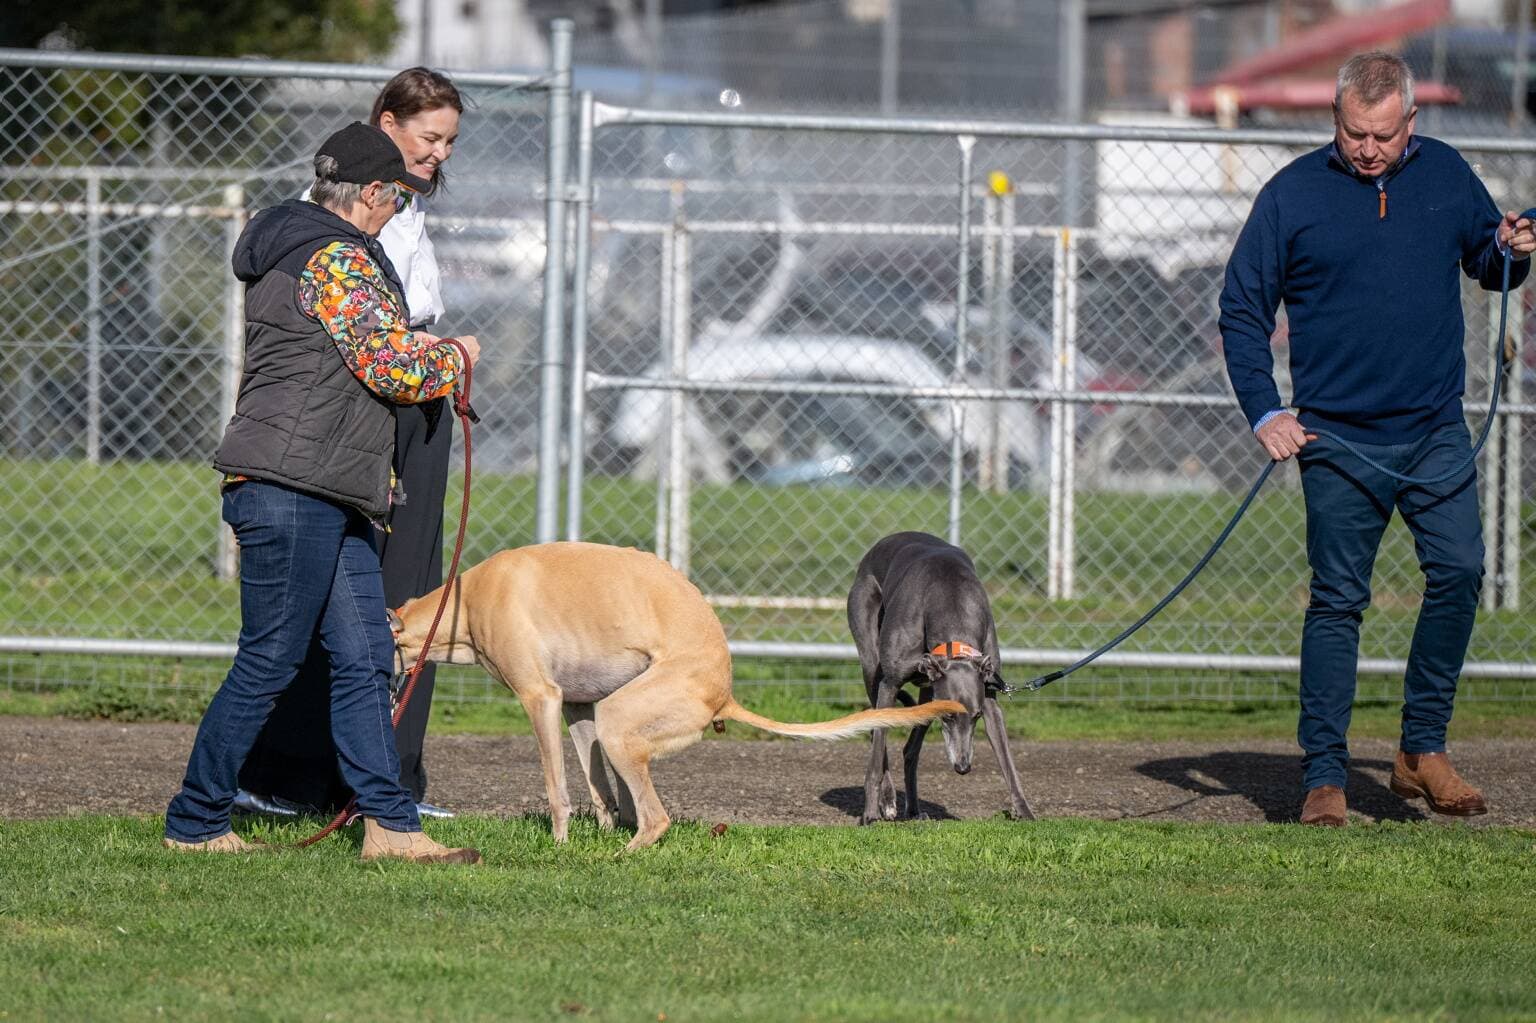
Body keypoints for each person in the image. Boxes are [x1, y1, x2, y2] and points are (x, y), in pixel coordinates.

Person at [1219, 51, 1535, 828]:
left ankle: (1420, 749)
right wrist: (1266, 412)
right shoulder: (1292, 195)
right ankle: (1323, 774)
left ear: (1410, 124)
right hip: (1335, 438)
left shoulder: (1448, 175)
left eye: (1384, 136)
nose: (1368, 149)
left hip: (1432, 428)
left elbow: (1487, 264)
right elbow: (1240, 309)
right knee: (1338, 601)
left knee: (1461, 570)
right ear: (1335, 119)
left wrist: (1510, 252)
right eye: (1355, 133)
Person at [162, 121, 482, 862]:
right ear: (370, 192)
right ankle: (196, 818)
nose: (398, 211)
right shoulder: (336, 260)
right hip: (291, 484)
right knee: (271, 658)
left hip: (329, 485)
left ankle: (390, 825)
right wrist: (455, 357)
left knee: (368, 652)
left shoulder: (305, 249)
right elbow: (391, 369)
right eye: (396, 199)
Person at [235, 69, 465, 820]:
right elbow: (377, 344)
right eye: (430, 138)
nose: (440, 156)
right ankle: (294, 775)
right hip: (371, 402)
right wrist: (449, 355)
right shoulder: (343, 220)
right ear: (388, 125)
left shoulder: (406, 211)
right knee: (336, 593)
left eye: (449, 142)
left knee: (405, 593)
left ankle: (389, 782)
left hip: (416, 394)